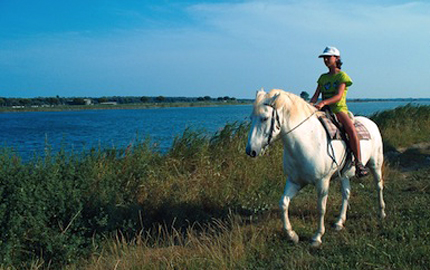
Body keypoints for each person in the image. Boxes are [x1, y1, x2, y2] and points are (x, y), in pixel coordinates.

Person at [310, 46, 369, 177]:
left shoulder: (342, 76)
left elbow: (338, 96)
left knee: (351, 130)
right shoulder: (322, 78)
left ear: (336, 58)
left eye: (328, 57)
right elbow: (315, 96)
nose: (325, 60)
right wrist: (308, 105)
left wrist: (323, 102)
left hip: (339, 109)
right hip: (324, 110)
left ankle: (359, 163)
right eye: (324, 58)